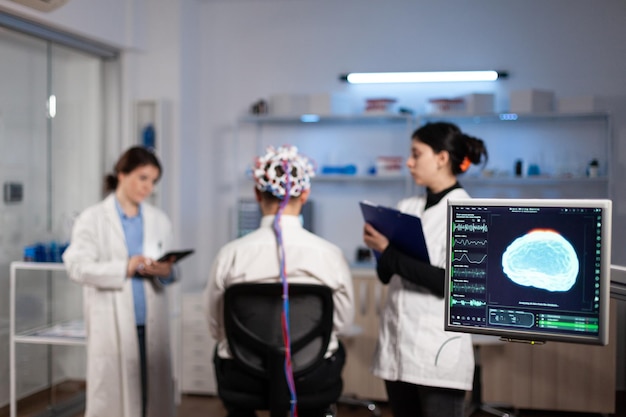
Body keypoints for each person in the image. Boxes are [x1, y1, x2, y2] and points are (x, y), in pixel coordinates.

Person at [204, 145, 354, 417]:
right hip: (310, 377)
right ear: (305, 194)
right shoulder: (330, 256)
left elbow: (217, 328)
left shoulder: (230, 255)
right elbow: (341, 324)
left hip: (245, 377)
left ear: (257, 193)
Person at [362, 122, 488, 417]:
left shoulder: (468, 211)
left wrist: (388, 252)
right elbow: (385, 274)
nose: (409, 162)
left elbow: (451, 283)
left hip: (436, 351)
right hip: (397, 346)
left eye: (416, 154)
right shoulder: (406, 206)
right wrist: (379, 250)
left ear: (442, 158)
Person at [63, 146, 177, 417]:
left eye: (153, 181)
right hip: (111, 323)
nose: (148, 187)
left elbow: (171, 271)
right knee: (115, 401)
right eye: (142, 177)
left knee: (152, 397)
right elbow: (77, 267)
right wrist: (124, 267)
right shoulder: (92, 219)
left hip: (150, 322)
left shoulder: (158, 220)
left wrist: (165, 271)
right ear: (122, 174)